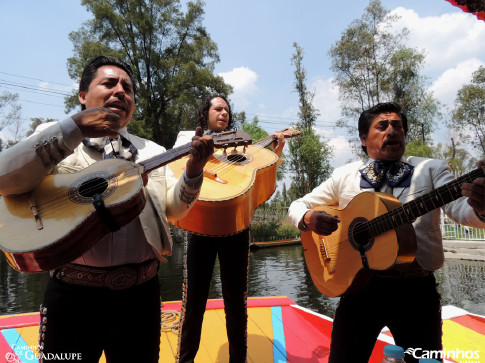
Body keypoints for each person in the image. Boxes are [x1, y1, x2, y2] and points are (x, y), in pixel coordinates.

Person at [0, 56, 214, 363]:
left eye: (127, 88)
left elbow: (174, 210)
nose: (120, 92)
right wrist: (74, 128)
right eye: (109, 83)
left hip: (140, 297)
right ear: (83, 96)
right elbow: (5, 179)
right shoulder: (53, 134)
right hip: (72, 297)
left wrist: (193, 171)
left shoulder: (152, 151)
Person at [287, 102, 485, 363]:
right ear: (363, 138)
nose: (392, 131)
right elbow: (297, 205)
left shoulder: (432, 169)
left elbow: (462, 211)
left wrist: (481, 208)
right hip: (358, 289)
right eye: (382, 126)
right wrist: (308, 218)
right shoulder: (344, 175)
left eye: (398, 126)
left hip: (415, 290)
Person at [173, 94, 285, 363]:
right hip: (200, 225)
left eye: (226, 109)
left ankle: (239, 359)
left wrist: (277, 150)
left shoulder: (242, 149)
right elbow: (177, 168)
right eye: (217, 108)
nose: (223, 112)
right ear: (205, 114)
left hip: (236, 226)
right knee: (193, 302)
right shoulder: (188, 139)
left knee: (237, 301)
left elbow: (258, 176)